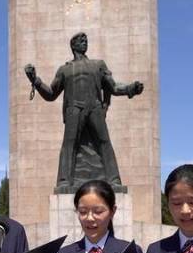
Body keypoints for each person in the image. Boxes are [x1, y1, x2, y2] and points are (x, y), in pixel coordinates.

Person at [24, 32, 143, 192]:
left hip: (94, 107)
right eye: (80, 40)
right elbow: (51, 94)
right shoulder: (65, 69)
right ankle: (64, 182)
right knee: (69, 144)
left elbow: (113, 87)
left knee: (104, 142)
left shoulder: (98, 65)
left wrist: (130, 89)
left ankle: (114, 180)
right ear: (73, 45)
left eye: (85, 40)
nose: (84, 42)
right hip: (74, 109)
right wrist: (35, 80)